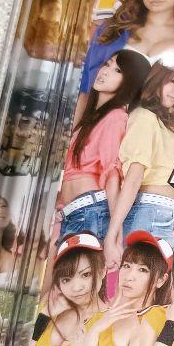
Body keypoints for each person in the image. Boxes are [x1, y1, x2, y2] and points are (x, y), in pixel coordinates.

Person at [103, 56, 174, 271]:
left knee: (155, 284)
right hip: (148, 213)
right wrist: (112, 234)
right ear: (158, 78)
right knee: (148, 283)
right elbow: (134, 177)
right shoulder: (145, 117)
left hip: (164, 214)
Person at [70, 232, 173, 346]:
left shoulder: (169, 323)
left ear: (161, 280)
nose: (129, 276)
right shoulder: (96, 321)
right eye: (126, 266)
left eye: (143, 270)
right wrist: (94, 332)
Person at [59, 48, 150, 242]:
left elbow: (112, 175)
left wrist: (115, 235)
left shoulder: (116, 117)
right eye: (107, 64)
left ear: (130, 82)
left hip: (90, 211)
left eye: (118, 70)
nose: (105, 72)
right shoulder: (90, 118)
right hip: (71, 211)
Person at [17, 233, 107, 346]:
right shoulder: (49, 312)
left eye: (86, 275)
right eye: (66, 279)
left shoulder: (109, 323)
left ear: (103, 270)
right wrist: (44, 317)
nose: (76, 287)